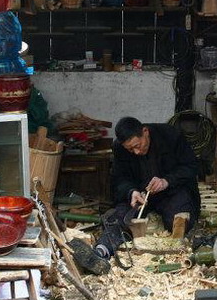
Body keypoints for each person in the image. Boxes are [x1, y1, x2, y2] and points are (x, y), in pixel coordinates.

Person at [69, 116, 200, 274]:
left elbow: (191, 167)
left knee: (179, 219)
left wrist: (167, 181)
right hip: (142, 195)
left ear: (145, 132)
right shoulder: (119, 147)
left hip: (172, 191)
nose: (136, 152)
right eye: (131, 149)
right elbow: (120, 178)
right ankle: (100, 252)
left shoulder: (171, 136)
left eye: (137, 146)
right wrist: (131, 191)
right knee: (122, 218)